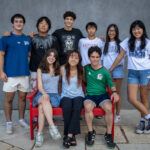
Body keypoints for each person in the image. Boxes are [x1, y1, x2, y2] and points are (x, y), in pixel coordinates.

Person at [109, 20, 150, 134]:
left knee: (144, 98)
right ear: (131, 31)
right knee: (132, 98)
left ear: (142, 29)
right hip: (133, 72)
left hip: (145, 72)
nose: (136, 31)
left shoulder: (147, 42)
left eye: (138, 29)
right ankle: (148, 117)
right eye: (134, 29)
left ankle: (142, 122)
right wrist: (110, 69)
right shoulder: (128, 41)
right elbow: (119, 57)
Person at [0, 14, 31, 134]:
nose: (19, 23)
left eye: (21, 21)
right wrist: (1, 71)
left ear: (23, 24)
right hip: (10, 75)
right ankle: (9, 122)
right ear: (12, 24)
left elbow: (30, 55)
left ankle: (21, 119)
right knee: (9, 99)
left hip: (24, 74)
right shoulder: (5, 38)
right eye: (16, 21)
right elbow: (1, 55)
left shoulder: (27, 39)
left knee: (22, 98)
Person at [84, 46, 119, 148]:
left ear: (100, 57)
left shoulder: (104, 71)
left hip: (103, 95)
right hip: (90, 95)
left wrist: (115, 92)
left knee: (109, 108)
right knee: (87, 107)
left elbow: (111, 84)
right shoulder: (85, 68)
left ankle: (108, 134)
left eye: (97, 57)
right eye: (92, 57)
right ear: (89, 57)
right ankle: (91, 132)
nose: (95, 59)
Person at [33, 49, 61, 147]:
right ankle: (52, 126)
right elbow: (40, 86)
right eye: (50, 55)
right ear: (46, 56)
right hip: (42, 94)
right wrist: (44, 94)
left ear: (56, 59)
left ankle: (39, 135)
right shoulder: (40, 69)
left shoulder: (59, 69)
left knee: (41, 107)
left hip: (54, 96)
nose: (51, 58)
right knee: (45, 99)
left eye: (54, 56)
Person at [60, 50, 84, 148]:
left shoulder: (82, 69)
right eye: (71, 57)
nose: (73, 59)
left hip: (79, 95)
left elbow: (88, 81)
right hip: (65, 95)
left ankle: (68, 135)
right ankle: (72, 136)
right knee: (66, 108)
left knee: (77, 108)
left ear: (79, 60)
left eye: (76, 57)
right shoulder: (62, 69)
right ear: (68, 58)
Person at [29, 16, 59, 90]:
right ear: (37, 25)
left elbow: (56, 55)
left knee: (49, 92)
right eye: (41, 23)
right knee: (35, 93)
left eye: (46, 24)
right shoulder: (31, 38)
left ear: (49, 26)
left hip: (49, 71)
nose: (43, 25)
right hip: (34, 71)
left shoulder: (53, 39)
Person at [102, 24, 124, 123]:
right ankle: (109, 112)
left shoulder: (121, 44)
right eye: (110, 30)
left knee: (117, 93)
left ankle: (118, 114)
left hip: (117, 69)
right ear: (107, 32)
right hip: (106, 70)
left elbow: (121, 59)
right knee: (107, 93)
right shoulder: (104, 44)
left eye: (114, 31)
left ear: (116, 32)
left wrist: (112, 68)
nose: (112, 32)